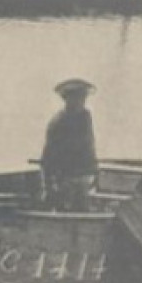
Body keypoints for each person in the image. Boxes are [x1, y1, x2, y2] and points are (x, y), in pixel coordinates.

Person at [40, 79, 98, 211]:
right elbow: (48, 156)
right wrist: (49, 185)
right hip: (65, 178)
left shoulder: (85, 118)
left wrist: (94, 170)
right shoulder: (58, 123)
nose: (81, 102)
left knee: (84, 209)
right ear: (67, 99)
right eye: (77, 98)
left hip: (84, 176)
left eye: (83, 98)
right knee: (66, 209)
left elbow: (90, 145)